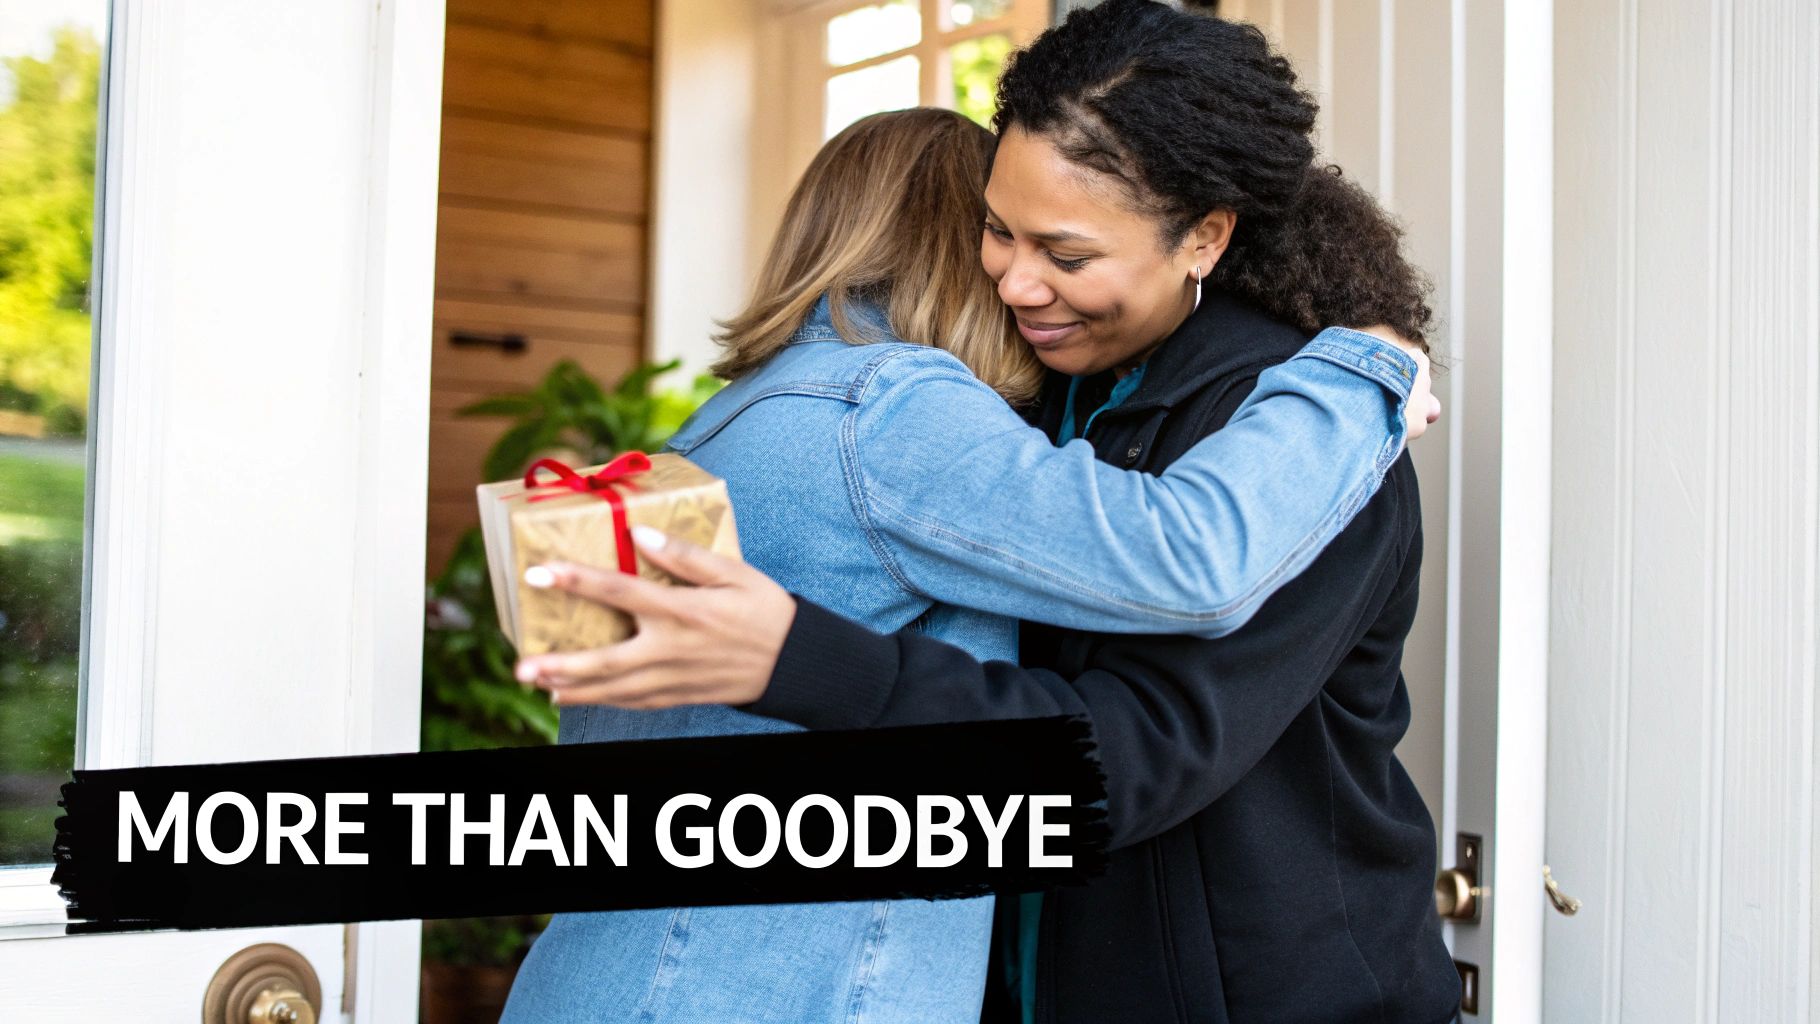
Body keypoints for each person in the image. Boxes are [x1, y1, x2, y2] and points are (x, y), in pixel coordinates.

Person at [512, 3, 1462, 1023]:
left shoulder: (1292, 453)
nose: (1012, 279)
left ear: (1204, 238)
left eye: (1063, 251)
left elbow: (1129, 753)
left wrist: (1366, 367)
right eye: (994, 232)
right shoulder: (1027, 406)